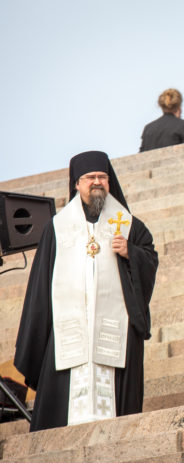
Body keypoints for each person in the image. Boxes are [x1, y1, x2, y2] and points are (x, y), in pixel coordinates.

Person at [14, 151, 158, 431]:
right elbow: (41, 286)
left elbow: (149, 258)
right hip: (69, 330)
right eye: (89, 177)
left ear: (109, 182)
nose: (96, 182)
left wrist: (131, 253)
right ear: (76, 184)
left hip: (114, 329)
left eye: (102, 177)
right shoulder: (56, 228)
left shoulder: (128, 225)